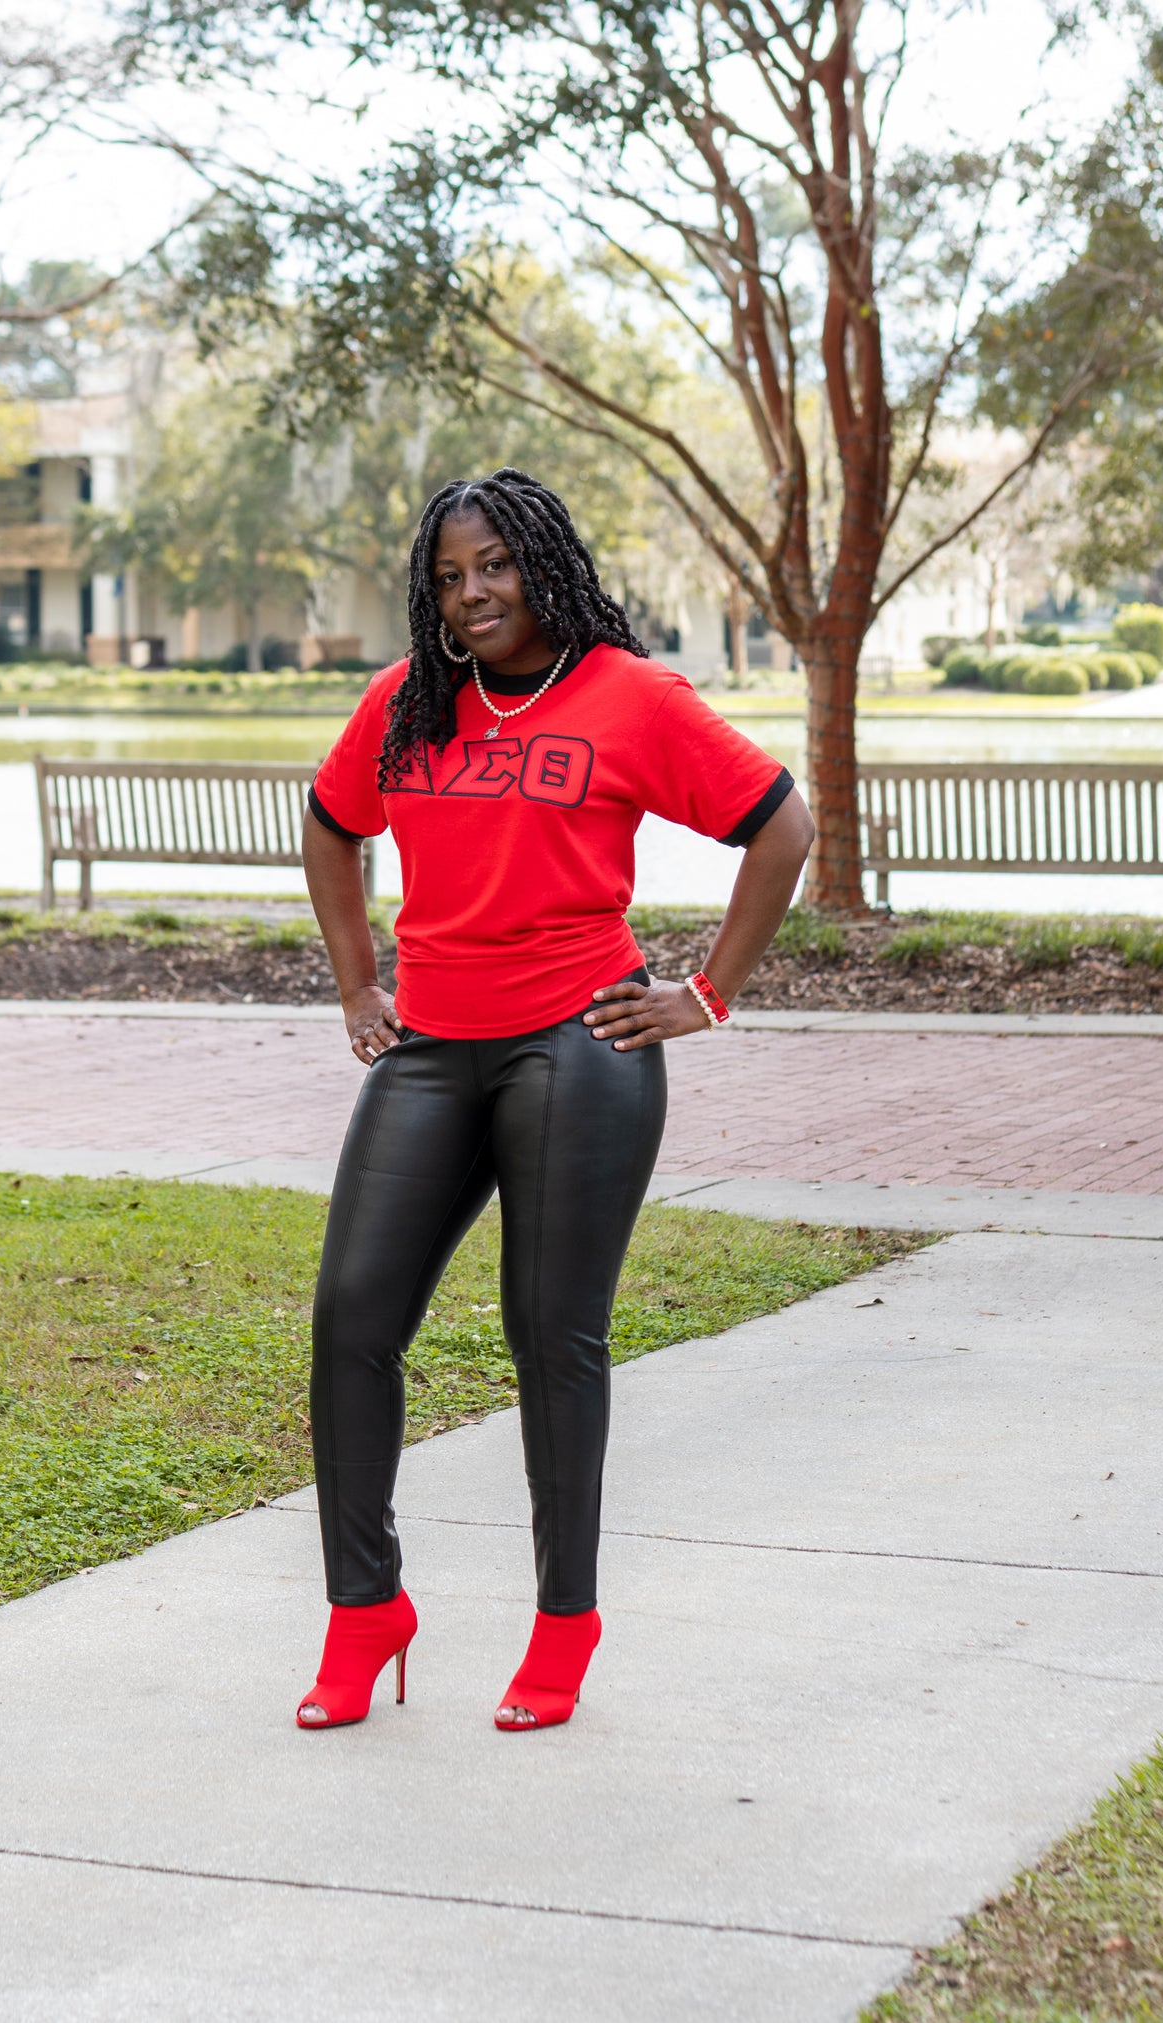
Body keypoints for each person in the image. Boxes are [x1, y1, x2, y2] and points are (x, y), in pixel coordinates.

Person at [297, 467, 814, 1733]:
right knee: (351, 1321)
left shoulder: (632, 697)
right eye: (448, 577)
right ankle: (365, 1609)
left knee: (550, 1337)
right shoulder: (406, 702)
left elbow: (780, 825)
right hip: (430, 1045)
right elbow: (328, 824)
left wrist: (707, 993)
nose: (472, 594)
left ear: (543, 563)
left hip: (576, 1046)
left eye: (493, 565)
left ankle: (562, 1623)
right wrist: (358, 983)